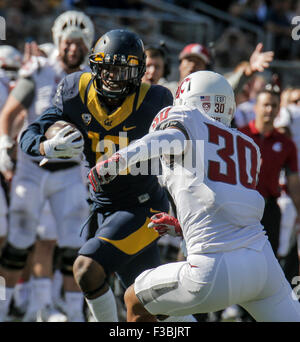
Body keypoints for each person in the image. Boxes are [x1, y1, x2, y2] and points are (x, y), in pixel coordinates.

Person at [90, 70, 300, 322]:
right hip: (263, 265)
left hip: (213, 268)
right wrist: (182, 227)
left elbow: (169, 137)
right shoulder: (248, 145)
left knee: (134, 300)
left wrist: (117, 160)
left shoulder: (186, 119)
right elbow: (228, 205)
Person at [19, 29, 195, 323]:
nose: (112, 77)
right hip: (103, 209)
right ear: (94, 66)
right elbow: (30, 134)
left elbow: (185, 152)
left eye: (122, 70)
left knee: (86, 270)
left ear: (138, 72)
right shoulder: (75, 90)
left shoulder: (154, 100)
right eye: (106, 68)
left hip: (143, 208)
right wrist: (47, 144)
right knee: (154, 310)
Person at [0, 10, 94, 322]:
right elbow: (11, 111)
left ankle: (71, 311)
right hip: (32, 167)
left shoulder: (89, 80)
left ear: (87, 46)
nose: (72, 49)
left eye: (79, 44)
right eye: (68, 42)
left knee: (72, 245)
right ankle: (5, 305)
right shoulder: (38, 70)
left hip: (69, 172)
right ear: (58, 41)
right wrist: (3, 143)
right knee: (19, 241)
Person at [239, 85, 300, 258]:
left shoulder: (286, 144)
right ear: (255, 107)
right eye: (265, 104)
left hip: (269, 209)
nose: (269, 109)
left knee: (267, 260)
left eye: (274, 105)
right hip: (241, 207)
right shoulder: (239, 136)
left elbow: (294, 183)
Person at [164, 42, 274, 98]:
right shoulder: (165, 90)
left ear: (206, 69)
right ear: (179, 64)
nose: (192, 65)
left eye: (198, 62)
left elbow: (227, 89)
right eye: (188, 60)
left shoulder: (208, 95)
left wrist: (249, 70)